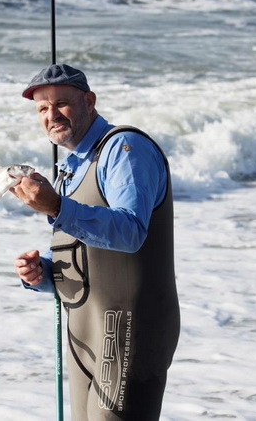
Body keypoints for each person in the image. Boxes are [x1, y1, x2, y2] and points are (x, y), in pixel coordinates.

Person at [11, 64, 180, 421]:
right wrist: (43, 272)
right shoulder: (72, 166)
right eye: (42, 108)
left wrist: (56, 205)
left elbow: (130, 231)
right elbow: (91, 252)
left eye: (62, 104)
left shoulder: (125, 149)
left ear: (89, 101)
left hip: (127, 332)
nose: (51, 115)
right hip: (84, 334)